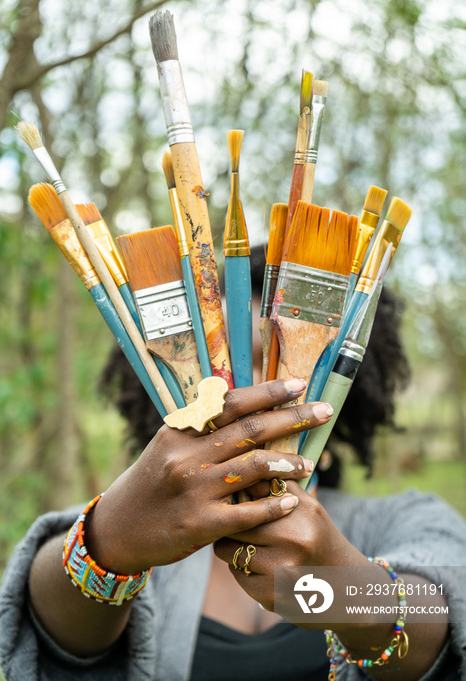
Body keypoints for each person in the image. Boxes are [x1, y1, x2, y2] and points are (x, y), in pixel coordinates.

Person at [1, 247, 465, 681]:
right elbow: (50, 630)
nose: (234, 390)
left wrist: (336, 588)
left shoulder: (403, 519)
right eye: (213, 363)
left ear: (331, 383)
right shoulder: (140, 524)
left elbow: (442, 614)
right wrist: (105, 543)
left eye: (268, 361)